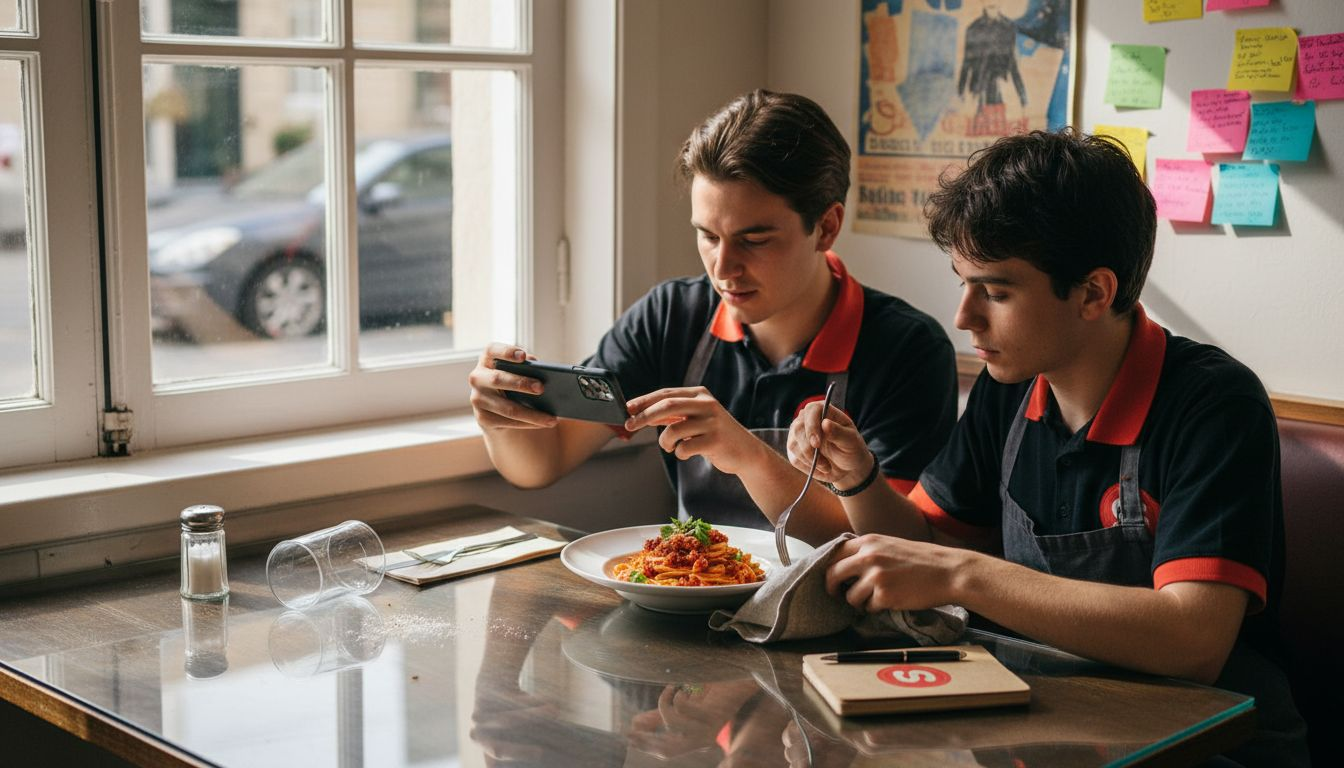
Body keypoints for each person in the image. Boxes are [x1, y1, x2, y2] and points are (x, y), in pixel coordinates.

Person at [788, 128, 1308, 766]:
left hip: (1209, 742)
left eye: (996, 292)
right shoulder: (1009, 385)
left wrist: (963, 575)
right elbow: (926, 541)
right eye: (963, 283)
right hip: (1045, 721)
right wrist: (858, 478)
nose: (964, 317)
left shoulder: (1215, 405)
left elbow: (1193, 638)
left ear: (1094, 293)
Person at [469, 90, 957, 539]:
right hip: (688, 589)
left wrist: (747, 455)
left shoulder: (909, 350)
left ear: (826, 227)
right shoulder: (670, 318)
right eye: (707, 235)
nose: (723, 269)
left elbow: (890, 546)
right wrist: (500, 417)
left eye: (754, 240)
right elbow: (543, 463)